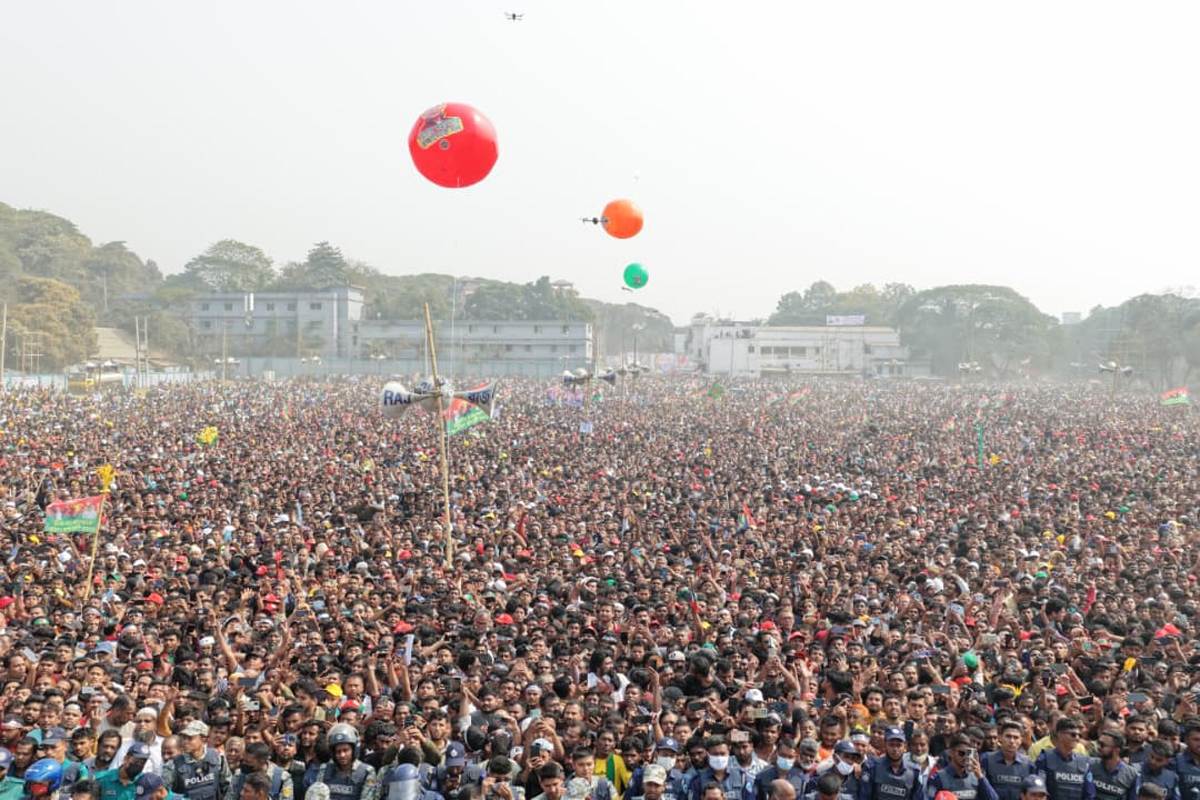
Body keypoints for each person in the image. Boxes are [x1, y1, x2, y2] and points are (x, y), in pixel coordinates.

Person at [301, 724, 375, 800]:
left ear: (354, 750)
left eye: (345, 750)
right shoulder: (324, 769)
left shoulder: (367, 772)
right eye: (338, 751)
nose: (342, 755)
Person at [162, 723, 232, 800]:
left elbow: (228, 787)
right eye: (184, 738)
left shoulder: (218, 757)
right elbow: (164, 793)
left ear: (203, 739)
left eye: (190, 738)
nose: (185, 742)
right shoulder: (173, 764)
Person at [1033, 721, 1094, 800]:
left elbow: (1089, 794)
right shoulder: (1044, 758)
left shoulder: (1084, 762)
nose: (1077, 738)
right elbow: (1038, 790)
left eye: (1079, 735)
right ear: (1060, 735)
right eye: (1073, 735)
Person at [925, 734, 997, 800]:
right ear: (951, 753)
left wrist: (981, 777)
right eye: (961, 753)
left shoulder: (977, 776)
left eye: (968, 753)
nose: (965, 757)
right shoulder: (938, 778)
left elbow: (993, 798)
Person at [858, 728, 920, 800]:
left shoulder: (914, 772)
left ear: (905, 747)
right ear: (885, 745)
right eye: (891, 745)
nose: (895, 749)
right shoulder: (872, 767)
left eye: (898, 745)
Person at [982, 723, 1035, 800]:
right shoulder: (986, 759)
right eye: (1008, 736)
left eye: (1016, 737)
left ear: (1021, 740)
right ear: (1000, 737)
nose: (1012, 741)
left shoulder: (1028, 764)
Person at [226, 744, 293, 800]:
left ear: (262, 762)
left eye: (248, 762)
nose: (244, 764)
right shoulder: (239, 775)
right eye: (244, 760)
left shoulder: (282, 778)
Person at [1089, 733, 1136, 800]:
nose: (1098, 747)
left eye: (1102, 745)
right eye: (1098, 743)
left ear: (1116, 749)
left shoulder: (1131, 775)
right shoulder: (1090, 765)